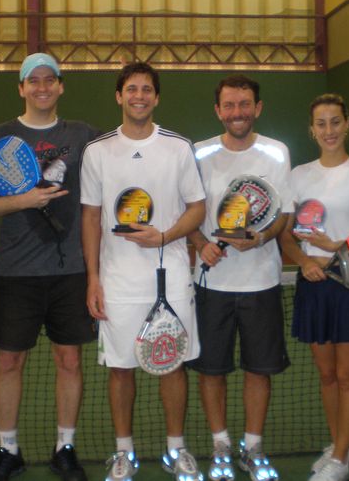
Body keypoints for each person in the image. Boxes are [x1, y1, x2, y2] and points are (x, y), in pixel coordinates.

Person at [0, 53, 98, 481]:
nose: (42, 87)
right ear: (21, 88)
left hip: (70, 270)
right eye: (33, 80)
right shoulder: (0, 136)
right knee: (9, 363)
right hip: (16, 272)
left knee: (69, 361)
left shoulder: (82, 135)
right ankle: (8, 451)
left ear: (60, 86)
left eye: (49, 79)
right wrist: (23, 200)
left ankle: (65, 448)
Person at [80, 62, 206, 481]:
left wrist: (166, 236)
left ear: (156, 97)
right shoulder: (98, 151)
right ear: (119, 96)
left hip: (171, 277)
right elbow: (91, 217)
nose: (139, 96)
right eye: (131, 89)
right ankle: (123, 452)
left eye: (146, 89)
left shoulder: (178, 147)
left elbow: (198, 208)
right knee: (120, 368)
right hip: (117, 282)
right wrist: (93, 278)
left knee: (173, 364)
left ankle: (176, 449)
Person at [187, 74, 292, 481]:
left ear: (257, 108)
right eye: (229, 105)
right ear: (218, 111)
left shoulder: (276, 152)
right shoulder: (199, 153)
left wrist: (262, 237)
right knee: (211, 371)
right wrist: (200, 242)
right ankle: (220, 447)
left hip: (261, 282)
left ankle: (252, 448)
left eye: (245, 104)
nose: (237, 112)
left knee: (258, 370)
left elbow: (282, 213)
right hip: (211, 284)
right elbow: (188, 209)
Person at [279, 94, 349, 481]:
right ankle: (340, 445)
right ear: (312, 130)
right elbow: (286, 235)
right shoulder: (298, 176)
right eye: (321, 124)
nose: (329, 130)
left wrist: (334, 248)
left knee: (347, 376)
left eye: (335, 122)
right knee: (326, 376)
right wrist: (305, 261)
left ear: (347, 124)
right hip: (314, 285)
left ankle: (339, 458)